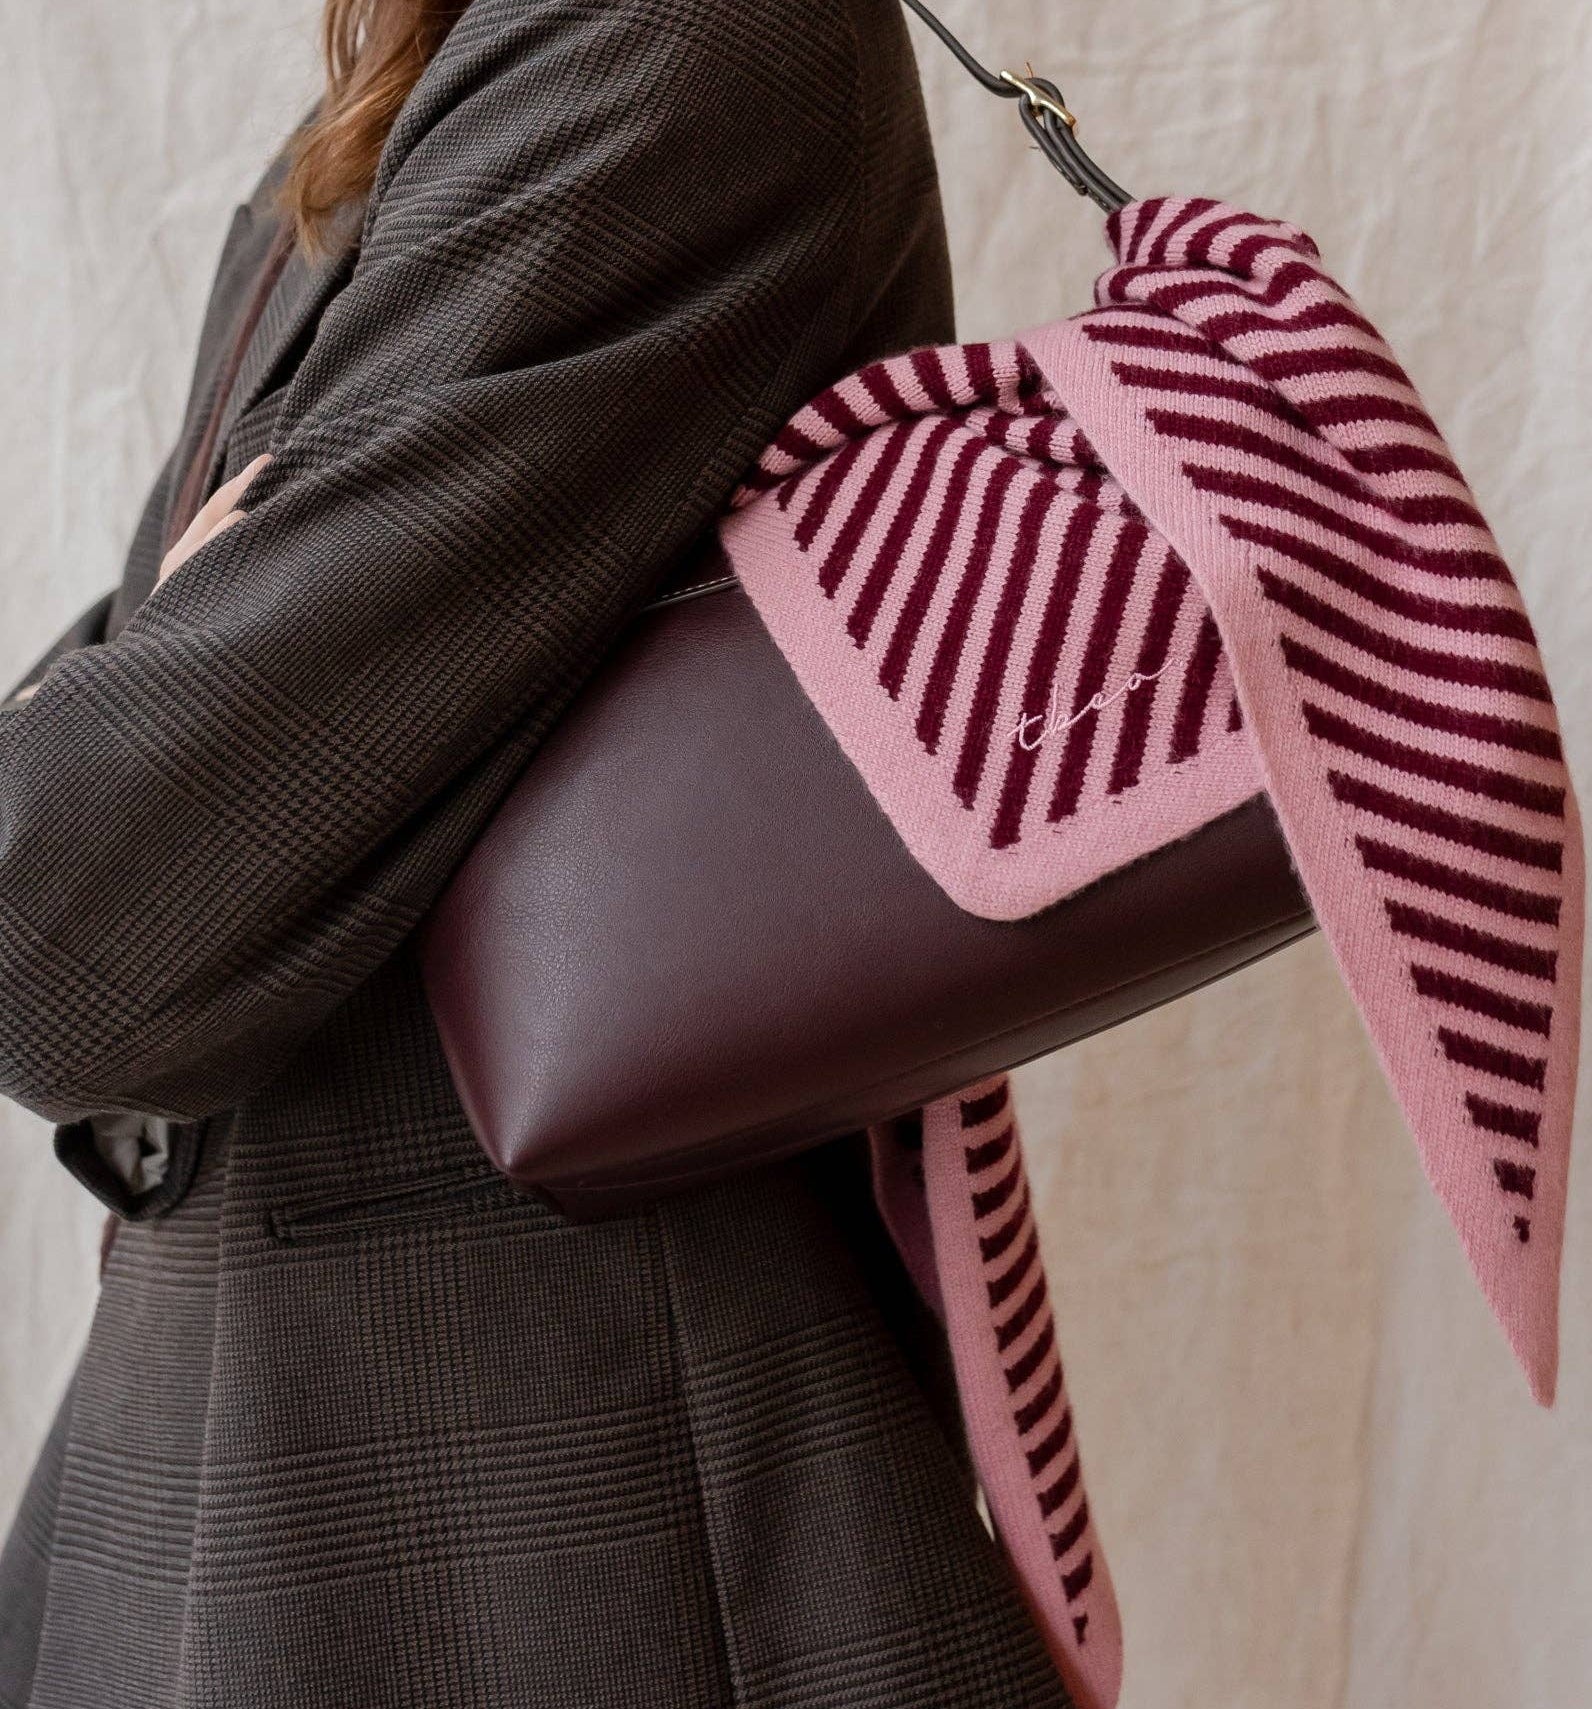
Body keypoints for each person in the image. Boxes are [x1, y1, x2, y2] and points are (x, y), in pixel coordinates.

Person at [0, 2, 1076, 1704]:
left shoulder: (671, 30)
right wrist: (151, 671)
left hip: (540, 1513)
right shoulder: (411, 94)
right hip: (315, 1449)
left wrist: (151, 667)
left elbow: (74, 927)